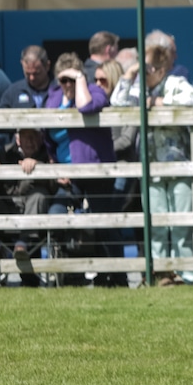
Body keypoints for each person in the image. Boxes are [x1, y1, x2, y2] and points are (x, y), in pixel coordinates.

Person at [111, 30, 193, 286]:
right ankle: (161, 272)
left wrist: (162, 101)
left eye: (151, 66)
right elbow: (117, 101)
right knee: (157, 222)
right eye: (144, 66)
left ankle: (185, 274)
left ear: (161, 68)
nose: (146, 71)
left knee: (182, 222)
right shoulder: (138, 89)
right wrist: (129, 74)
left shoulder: (175, 84)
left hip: (178, 164)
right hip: (151, 167)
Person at [45, 52, 122, 287]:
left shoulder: (94, 91)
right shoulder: (53, 98)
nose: (66, 85)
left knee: (103, 224)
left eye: (71, 79)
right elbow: (45, 133)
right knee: (57, 214)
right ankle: (69, 275)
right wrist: (54, 166)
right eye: (63, 80)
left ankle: (116, 276)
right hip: (66, 174)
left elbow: (86, 106)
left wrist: (80, 81)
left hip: (96, 170)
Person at [0, 128, 54, 287]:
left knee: (39, 195)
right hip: (6, 208)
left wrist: (39, 167)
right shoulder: (3, 153)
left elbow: (53, 187)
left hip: (32, 213)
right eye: (26, 137)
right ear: (18, 140)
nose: (31, 141)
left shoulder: (47, 154)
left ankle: (23, 244)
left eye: (34, 137)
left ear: (40, 138)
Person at [0, 45, 57, 109]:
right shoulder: (13, 92)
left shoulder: (59, 90)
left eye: (36, 73)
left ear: (47, 66)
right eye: (28, 74)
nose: (32, 78)